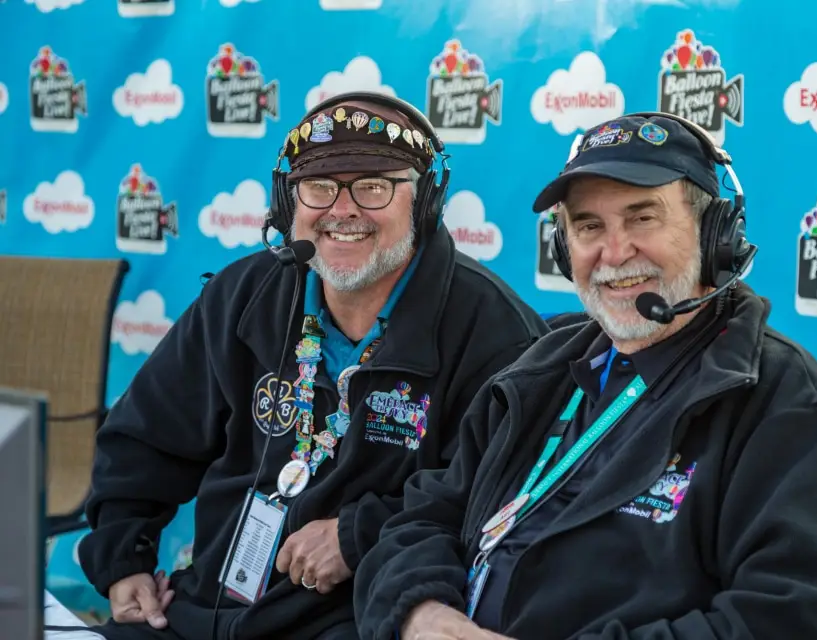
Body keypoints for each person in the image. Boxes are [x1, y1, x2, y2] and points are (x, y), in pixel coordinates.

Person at [352, 112, 817, 640]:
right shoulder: (541, 369)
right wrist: (420, 614)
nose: (615, 251)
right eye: (589, 227)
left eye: (642, 218)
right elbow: (422, 518)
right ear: (564, 248)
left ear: (714, 234)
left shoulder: (781, 400)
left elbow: (796, 620)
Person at [77, 92, 549, 640]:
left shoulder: (495, 331)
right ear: (287, 204)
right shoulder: (243, 295)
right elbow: (146, 439)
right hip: (203, 611)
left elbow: (499, 506)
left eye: (373, 187)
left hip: (358, 621)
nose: (342, 210)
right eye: (319, 187)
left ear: (423, 204)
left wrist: (359, 534)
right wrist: (124, 558)